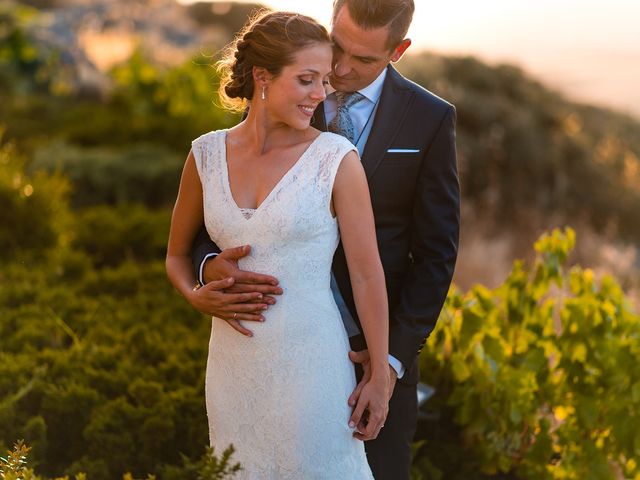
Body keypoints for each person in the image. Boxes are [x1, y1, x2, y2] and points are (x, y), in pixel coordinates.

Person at [190, 0, 460, 478]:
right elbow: (213, 218)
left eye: (365, 60)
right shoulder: (290, 83)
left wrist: (388, 363)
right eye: (339, 47)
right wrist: (209, 267)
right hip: (266, 344)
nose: (340, 68)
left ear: (399, 51)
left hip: (373, 353)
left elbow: (437, 254)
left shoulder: (429, 119)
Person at [166, 10, 390, 479]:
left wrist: (378, 379)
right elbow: (176, 254)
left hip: (314, 368)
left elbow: (368, 274)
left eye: (324, 81)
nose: (321, 94)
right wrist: (194, 295)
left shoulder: (335, 160)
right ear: (263, 78)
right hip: (232, 370)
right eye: (307, 80)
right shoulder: (205, 154)